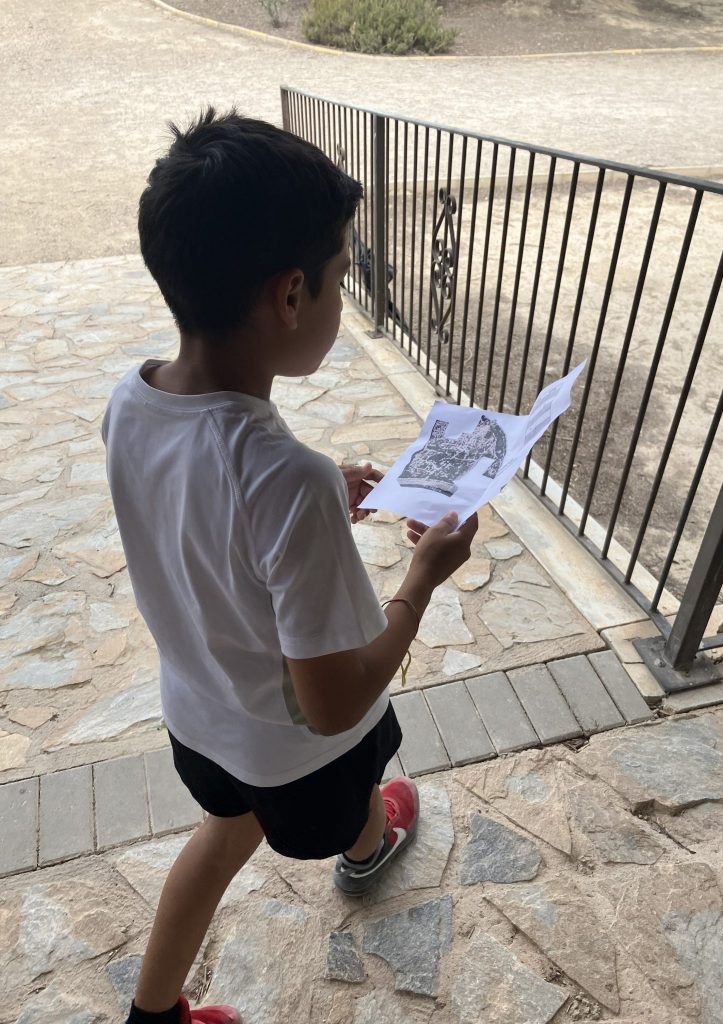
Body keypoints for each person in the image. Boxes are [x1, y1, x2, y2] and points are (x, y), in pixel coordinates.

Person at [102, 107, 477, 1024]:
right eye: (343, 276)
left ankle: (153, 1014)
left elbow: (201, 512)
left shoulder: (131, 399)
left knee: (220, 836)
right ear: (292, 296)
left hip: (201, 723)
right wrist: (421, 579)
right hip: (300, 759)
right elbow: (335, 703)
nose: (344, 298)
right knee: (363, 767)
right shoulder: (286, 478)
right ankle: (368, 848)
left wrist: (310, 501)